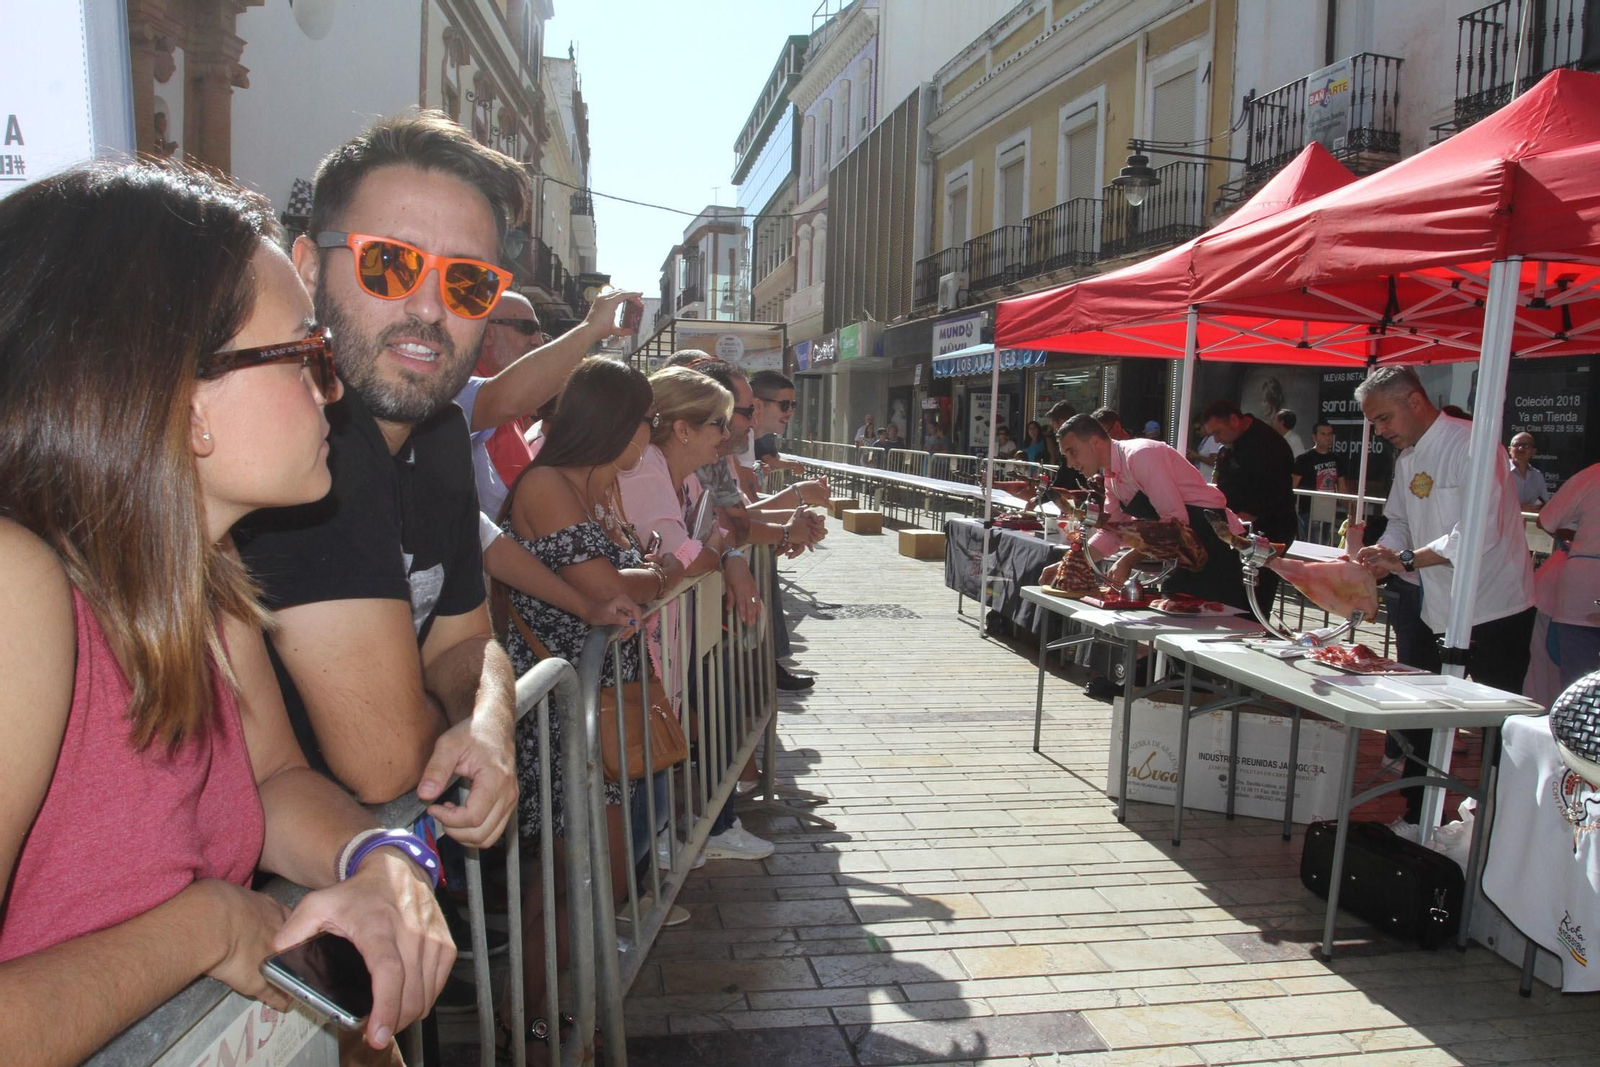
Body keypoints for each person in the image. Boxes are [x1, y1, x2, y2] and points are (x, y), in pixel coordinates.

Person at [0, 163, 450, 1061]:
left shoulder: (203, 569)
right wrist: (207, 924)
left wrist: (377, 860)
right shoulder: (17, 584)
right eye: (305, 356)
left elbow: (273, 782)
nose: (334, 391)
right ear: (186, 399)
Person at [232, 112, 522, 852]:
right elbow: (384, 756)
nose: (428, 308)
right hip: (265, 903)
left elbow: (465, 640)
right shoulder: (310, 446)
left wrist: (489, 720)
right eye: (388, 264)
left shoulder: (442, 436)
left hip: (357, 890)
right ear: (305, 265)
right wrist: (453, 716)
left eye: (467, 281)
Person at [497, 357, 686, 1048]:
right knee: (577, 877)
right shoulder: (548, 484)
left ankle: (531, 1015)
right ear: (615, 421)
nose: (651, 436)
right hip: (560, 711)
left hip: (593, 703)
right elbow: (611, 584)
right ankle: (529, 1019)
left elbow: (628, 582)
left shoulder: (590, 485)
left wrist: (648, 575)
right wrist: (655, 572)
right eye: (648, 422)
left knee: (575, 877)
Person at [1351, 367, 1535, 834]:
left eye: (1384, 418)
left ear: (1415, 401)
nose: (1381, 431)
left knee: (1499, 726)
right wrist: (1383, 552)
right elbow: (1399, 520)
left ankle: (1502, 826)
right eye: (1374, 422)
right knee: (1421, 718)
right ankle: (1417, 817)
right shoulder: (1408, 459)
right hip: (1437, 611)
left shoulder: (1472, 444)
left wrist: (1406, 559)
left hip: (1497, 610)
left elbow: (1477, 533)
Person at [1052, 414, 1248, 610]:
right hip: (1186, 551)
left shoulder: (1141, 455)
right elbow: (1110, 533)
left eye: (1072, 452)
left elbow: (1175, 523)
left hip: (1215, 542)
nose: (1070, 463)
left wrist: (1128, 559)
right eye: (1065, 456)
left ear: (1094, 442)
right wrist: (1069, 562)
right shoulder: (1112, 478)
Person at [1202, 398, 1297, 605]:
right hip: (1238, 526)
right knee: (1230, 591)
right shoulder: (1231, 445)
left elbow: (1272, 495)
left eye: (1218, 432)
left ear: (1234, 421)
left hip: (1267, 529)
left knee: (1254, 595)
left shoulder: (1267, 444)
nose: (1216, 440)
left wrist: (1235, 524)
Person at [1526, 462, 1600, 705]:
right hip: (1582, 595)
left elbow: (1547, 520)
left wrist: (1575, 538)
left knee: (1578, 688)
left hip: (1583, 591)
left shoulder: (1592, 475)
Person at [1291, 420, 1353, 538]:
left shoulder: (1337, 460)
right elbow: (1292, 484)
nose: (1327, 437)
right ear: (1314, 436)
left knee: (1324, 540)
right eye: (1323, 434)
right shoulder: (1304, 459)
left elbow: (1342, 488)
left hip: (1327, 508)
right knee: (1311, 540)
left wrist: (1351, 510)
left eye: (1330, 434)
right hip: (1307, 509)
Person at [1044, 400, 1089, 498]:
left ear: (1062, 422)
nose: (1054, 430)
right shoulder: (1083, 437)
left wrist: (1043, 498)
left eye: (1054, 425)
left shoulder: (1072, 442)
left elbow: (1064, 476)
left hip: (1080, 493)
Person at [1508, 431, 1550, 509]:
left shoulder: (1537, 476)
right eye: (1517, 445)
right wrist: (1519, 509)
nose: (1521, 449)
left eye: (1526, 446)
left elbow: (1545, 504)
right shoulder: (1500, 473)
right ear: (1509, 449)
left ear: (1533, 452)